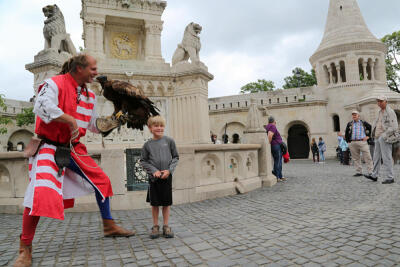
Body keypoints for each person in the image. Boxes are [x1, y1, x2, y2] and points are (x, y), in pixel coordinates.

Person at [13, 54, 135, 267]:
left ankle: (108, 225)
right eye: (93, 68)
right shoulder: (53, 84)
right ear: (79, 68)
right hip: (48, 147)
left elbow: (92, 125)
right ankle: (25, 248)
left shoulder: (89, 95)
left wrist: (117, 119)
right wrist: (69, 120)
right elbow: (41, 107)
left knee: (102, 182)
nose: (96, 72)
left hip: (73, 148)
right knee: (39, 194)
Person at [141, 115, 179, 239]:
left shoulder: (169, 141)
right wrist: (154, 171)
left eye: (161, 125)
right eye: (156, 126)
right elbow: (143, 161)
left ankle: (166, 226)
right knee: (155, 203)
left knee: (166, 203)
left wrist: (169, 170)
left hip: (167, 177)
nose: (159, 128)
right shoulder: (147, 145)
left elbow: (175, 157)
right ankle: (155, 226)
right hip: (154, 178)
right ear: (150, 128)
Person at [365, 95, 399, 184]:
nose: (379, 103)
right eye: (378, 101)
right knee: (376, 157)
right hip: (377, 137)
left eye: (381, 101)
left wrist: (384, 135)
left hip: (385, 138)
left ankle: (390, 177)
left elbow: (394, 127)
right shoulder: (380, 112)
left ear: (386, 101)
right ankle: (374, 175)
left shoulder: (390, 112)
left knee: (386, 157)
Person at [344, 110, 373, 177]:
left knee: (368, 157)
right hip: (353, 142)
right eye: (353, 115)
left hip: (362, 141)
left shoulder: (363, 123)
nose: (354, 116)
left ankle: (370, 171)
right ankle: (359, 171)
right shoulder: (350, 123)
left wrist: (368, 136)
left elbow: (370, 127)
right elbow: (346, 132)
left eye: (355, 114)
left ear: (358, 116)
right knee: (356, 158)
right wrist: (348, 141)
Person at [265, 116, 286, 181]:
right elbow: (270, 135)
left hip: (275, 145)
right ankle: (277, 176)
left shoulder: (267, 126)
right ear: (274, 122)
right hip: (276, 145)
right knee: (278, 161)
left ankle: (280, 175)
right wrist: (268, 144)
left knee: (278, 161)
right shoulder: (272, 126)